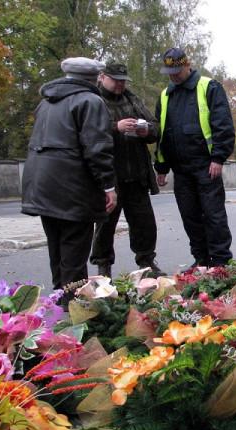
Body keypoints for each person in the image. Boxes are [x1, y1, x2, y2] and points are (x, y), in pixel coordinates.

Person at [21, 57, 117, 305]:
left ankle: (59, 300)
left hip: (41, 185)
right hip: (73, 188)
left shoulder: (46, 102)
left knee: (57, 249)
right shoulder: (90, 101)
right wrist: (108, 186)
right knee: (74, 251)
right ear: (94, 78)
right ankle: (72, 310)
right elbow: (97, 148)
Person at [154, 47, 235, 268]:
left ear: (187, 65)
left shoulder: (209, 87)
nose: (173, 75)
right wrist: (161, 167)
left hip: (206, 166)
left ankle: (220, 263)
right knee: (190, 218)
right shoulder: (165, 95)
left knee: (213, 216)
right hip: (181, 170)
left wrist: (218, 158)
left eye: (177, 70)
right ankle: (201, 260)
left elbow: (223, 126)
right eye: (170, 71)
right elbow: (163, 133)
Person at [89, 62, 165, 279]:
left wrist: (145, 130)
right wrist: (116, 128)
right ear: (102, 77)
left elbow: (155, 127)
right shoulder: (95, 100)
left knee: (144, 224)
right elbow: (89, 132)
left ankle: (147, 263)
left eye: (123, 80)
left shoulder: (132, 99)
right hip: (109, 176)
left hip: (137, 174)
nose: (120, 84)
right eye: (116, 80)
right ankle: (103, 269)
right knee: (105, 226)